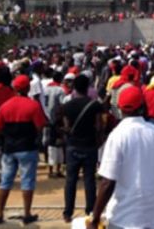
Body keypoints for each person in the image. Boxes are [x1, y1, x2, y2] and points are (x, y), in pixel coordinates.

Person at [88, 86, 154, 229]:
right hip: (150, 218)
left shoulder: (117, 135)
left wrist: (95, 218)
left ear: (120, 108)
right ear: (142, 106)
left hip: (123, 219)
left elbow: (107, 181)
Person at [0, 75, 47, 225]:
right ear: (28, 88)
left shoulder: (4, 106)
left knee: (5, 181)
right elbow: (40, 126)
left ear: (14, 88)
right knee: (27, 181)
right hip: (27, 148)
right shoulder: (33, 105)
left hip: (9, 149)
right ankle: (27, 214)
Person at [61, 74, 103, 223]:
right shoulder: (95, 105)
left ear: (74, 87)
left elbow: (66, 127)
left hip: (73, 146)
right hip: (90, 145)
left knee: (70, 180)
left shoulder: (67, 106)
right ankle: (90, 210)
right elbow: (99, 126)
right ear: (87, 87)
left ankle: (68, 213)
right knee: (89, 179)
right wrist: (98, 141)